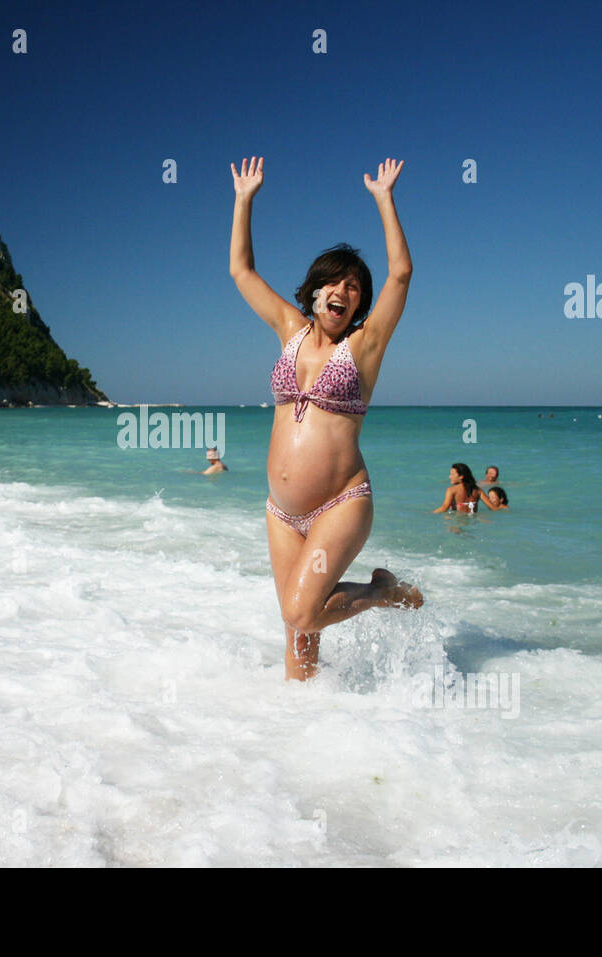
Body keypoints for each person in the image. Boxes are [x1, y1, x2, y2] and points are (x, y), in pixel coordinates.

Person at [231, 154, 423, 682]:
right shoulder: (289, 329)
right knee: (298, 639)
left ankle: (381, 592)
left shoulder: (363, 346)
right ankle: (304, 728)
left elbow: (401, 275)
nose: (342, 292)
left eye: (354, 287)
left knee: (301, 610)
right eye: (333, 283)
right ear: (315, 291)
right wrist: (244, 201)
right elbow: (241, 271)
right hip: (281, 512)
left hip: (340, 503)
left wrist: (385, 199)